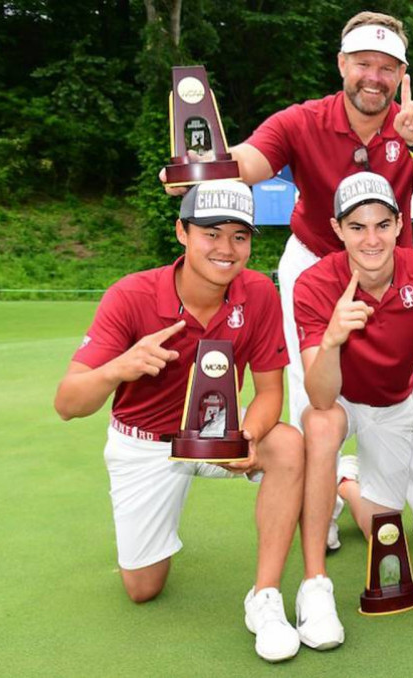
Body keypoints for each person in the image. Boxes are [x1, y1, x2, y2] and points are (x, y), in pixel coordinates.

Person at [159, 12, 413, 540]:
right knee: (309, 386)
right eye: (364, 63)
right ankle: (322, 507)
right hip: (316, 259)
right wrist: (200, 168)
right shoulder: (302, 119)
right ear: (342, 64)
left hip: (391, 262)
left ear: (402, 73)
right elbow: (249, 159)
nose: (375, 76)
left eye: (388, 67)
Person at [53, 181, 309, 662]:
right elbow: (67, 404)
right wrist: (119, 368)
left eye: (240, 236)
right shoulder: (131, 295)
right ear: (181, 232)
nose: (226, 248)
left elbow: (271, 391)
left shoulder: (258, 292)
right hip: (145, 443)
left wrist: (248, 436)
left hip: (218, 438)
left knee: (288, 444)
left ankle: (265, 596)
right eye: (211, 233)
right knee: (143, 588)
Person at [293, 172, 413, 641]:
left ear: (399, 224)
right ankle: (315, 585)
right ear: (337, 229)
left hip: (392, 404)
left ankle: (345, 484)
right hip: (339, 396)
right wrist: (332, 338)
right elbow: (320, 395)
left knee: (387, 537)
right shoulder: (312, 283)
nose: (371, 239)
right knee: (322, 424)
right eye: (358, 226)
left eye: (382, 225)